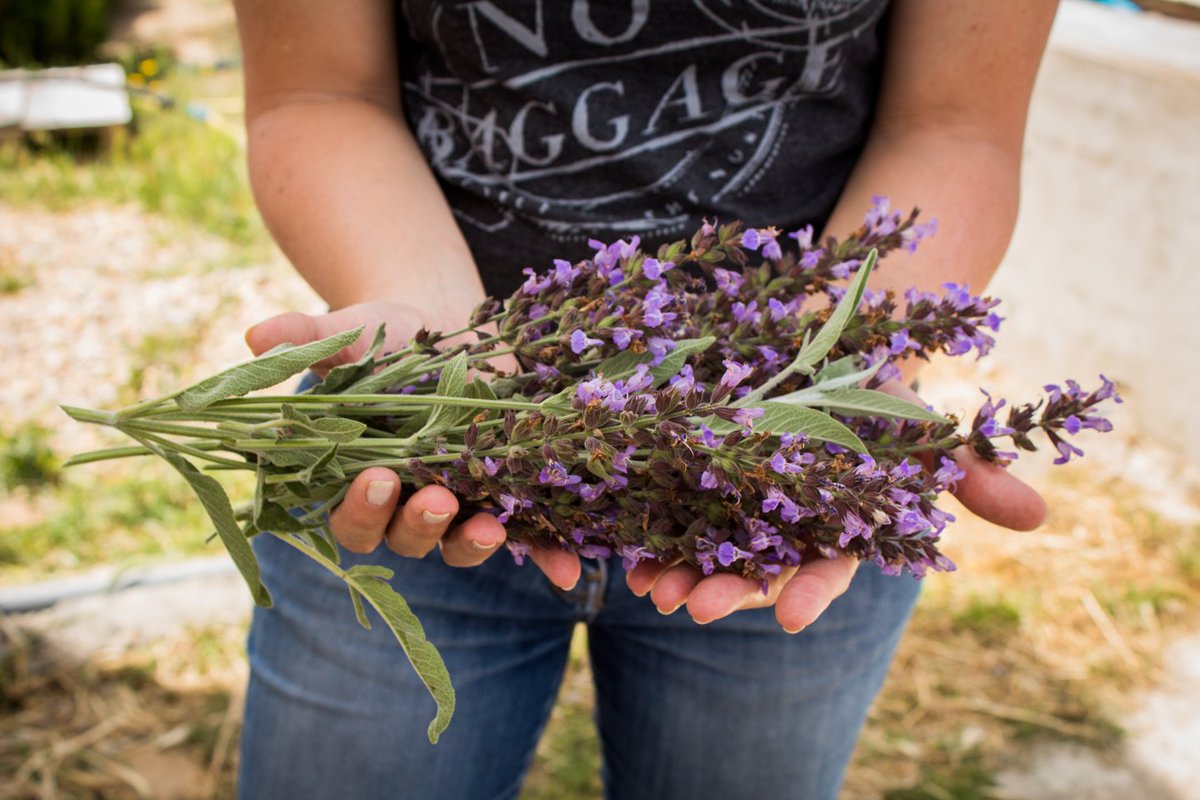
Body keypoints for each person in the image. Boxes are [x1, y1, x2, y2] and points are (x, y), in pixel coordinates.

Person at [232, 2, 1056, 797]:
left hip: (775, 501)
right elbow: (321, 92)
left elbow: (956, 125)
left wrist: (841, 366)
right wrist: (439, 349)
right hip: (423, 438)